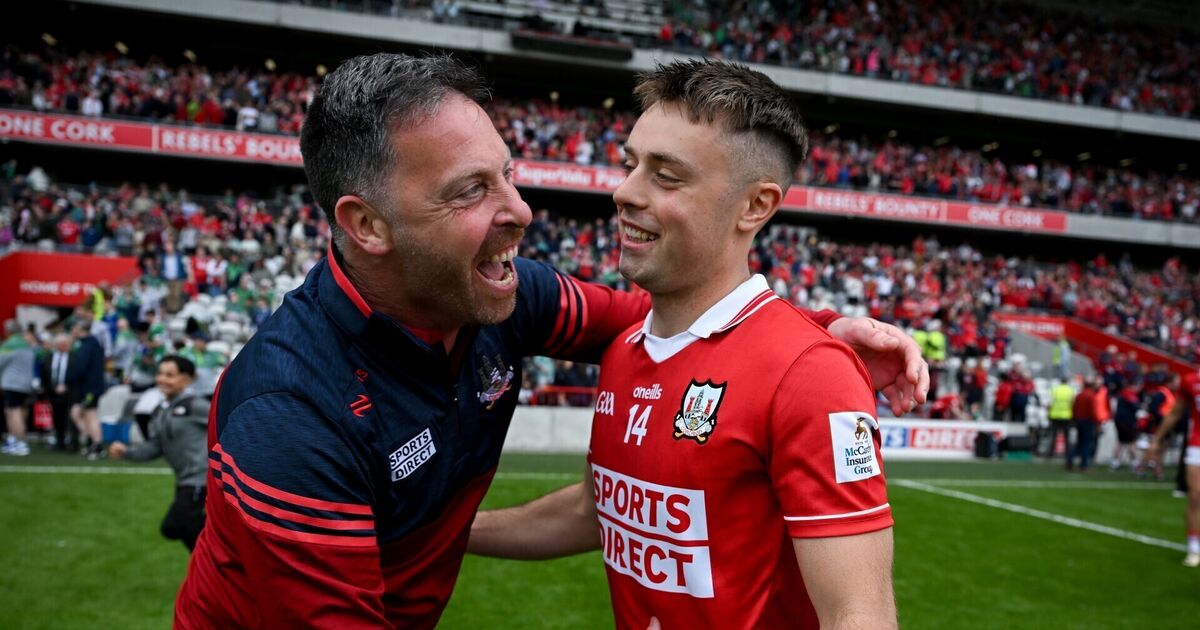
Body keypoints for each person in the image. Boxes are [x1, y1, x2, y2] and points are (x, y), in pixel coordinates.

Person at [173, 53, 926, 628]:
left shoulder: (504, 295)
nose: (522, 211)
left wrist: (820, 339)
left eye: (507, 174)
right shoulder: (290, 412)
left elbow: (685, 321)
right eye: (470, 190)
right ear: (366, 225)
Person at [468, 59, 897, 628]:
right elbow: (600, 512)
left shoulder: (813, 374)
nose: (624, 192)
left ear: (755, 206)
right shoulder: (626, 348)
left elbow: (860, 615)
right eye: (630, 164)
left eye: (666, 176)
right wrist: (444, 533)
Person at [108, 355, 210, 551]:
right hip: (184, 481)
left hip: (201, 480)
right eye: (160, 374)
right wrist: (127, 452)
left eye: (170, 375)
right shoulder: (160, 411)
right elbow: (155, 447)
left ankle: (224, 544)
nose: (162, 379)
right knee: (187, 530)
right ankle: (214, 562)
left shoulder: (195, 405)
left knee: (172, 527)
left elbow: (226, 426)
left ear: (186, 379)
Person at [1146, 367, 1200, 566]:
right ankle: (1194, 547)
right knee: (1195, 495)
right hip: (1197, 443)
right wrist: (1156, 439)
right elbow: (1175, 412)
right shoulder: (1191, 381)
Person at [1, 322, 37, 456]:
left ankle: (21, 442)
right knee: (14, 411)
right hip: (26, 384)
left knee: (14, 412)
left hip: (13, 384)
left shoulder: (8, 345)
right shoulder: (27, 345)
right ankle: (13, 440)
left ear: (8, 331)